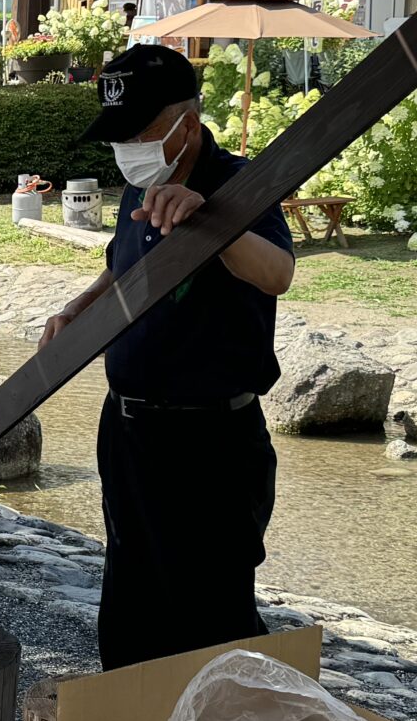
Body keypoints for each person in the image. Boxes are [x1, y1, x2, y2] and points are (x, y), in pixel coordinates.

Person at [42, 46, 294, 669]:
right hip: (129, 430)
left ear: (186, 122)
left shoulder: (239, 182)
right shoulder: (141, 184)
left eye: (142, 132)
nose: (129, 147)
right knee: (131, 601)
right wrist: (80, 309)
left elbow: (278, 273)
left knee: (212, 617)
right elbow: (120, 266)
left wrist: (214, 225)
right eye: (119, 136)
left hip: (211, 437)